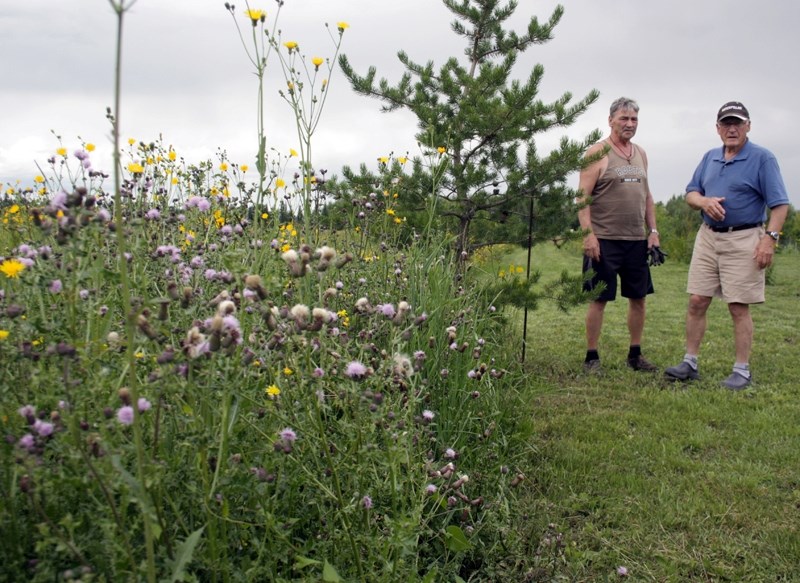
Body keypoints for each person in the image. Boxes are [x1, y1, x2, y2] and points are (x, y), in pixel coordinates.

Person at [664, 101, 789, 390]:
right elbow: (691, 192)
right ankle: (690, 362)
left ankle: (741, 371)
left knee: (738, 306)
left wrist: (769, 240)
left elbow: (780, 205)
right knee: (697, 300)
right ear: (718, 128)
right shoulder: (710, 157)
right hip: (708, 236)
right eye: (726, 124)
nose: (732, 129)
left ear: (748, 126)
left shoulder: (762, 158)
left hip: (745, 237)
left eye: (738, 123)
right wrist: (704, 201)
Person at [577, 97, 660, 373]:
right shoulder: (597, 153)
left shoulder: (640, 154)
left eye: (634, 119)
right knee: (599, 298)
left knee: (638, 298)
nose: (629, 124)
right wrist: (588, 235)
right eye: (624, 118)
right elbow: (582, 198)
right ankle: (591, 357)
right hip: (604, 240)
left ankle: (635, 355)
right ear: (610, 120)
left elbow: (647, 196)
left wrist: (653, 232)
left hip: (636, 240)